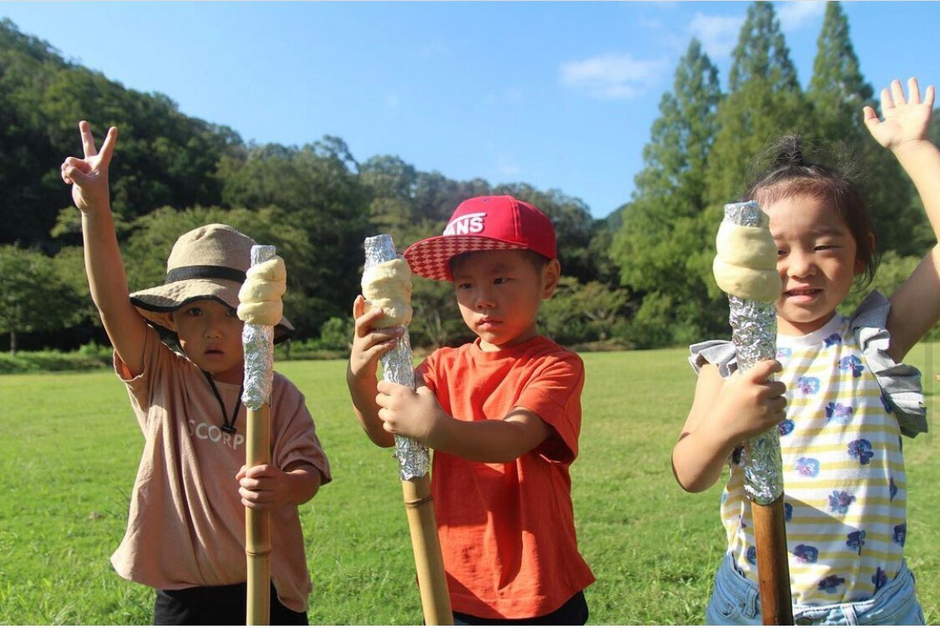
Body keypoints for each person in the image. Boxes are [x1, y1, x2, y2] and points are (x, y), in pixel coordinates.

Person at [673, 77, 939, 625]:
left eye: (824, 245)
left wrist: (913, 147)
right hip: (754, 600)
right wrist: (727, 424)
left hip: (874, 607)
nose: (799, 267)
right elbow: (689, 472)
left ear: (861, 253)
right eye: (775, 250)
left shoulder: (875, 339)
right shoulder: (726, 364)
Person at [60, 121, 332, 625]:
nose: (212, 329)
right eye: (195, 313)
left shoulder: (280, 393)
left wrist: (287, 486)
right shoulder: (163, 376)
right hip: (186, 595)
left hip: (269, 586)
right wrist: (96, 210)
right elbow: (110, 303)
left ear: (257, 322)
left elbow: (309, 470)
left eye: (229, 313)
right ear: (172, 322)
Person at [347, 195, 595, 624]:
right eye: (465, 285)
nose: (482, 299)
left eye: (501, 280)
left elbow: (513, 437)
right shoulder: (443, 365)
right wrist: (359, 377)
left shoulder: (556, 366)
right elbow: (387, 432)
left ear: (548, 279)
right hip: (457, 579)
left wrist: (435, 427)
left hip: (535, 584)